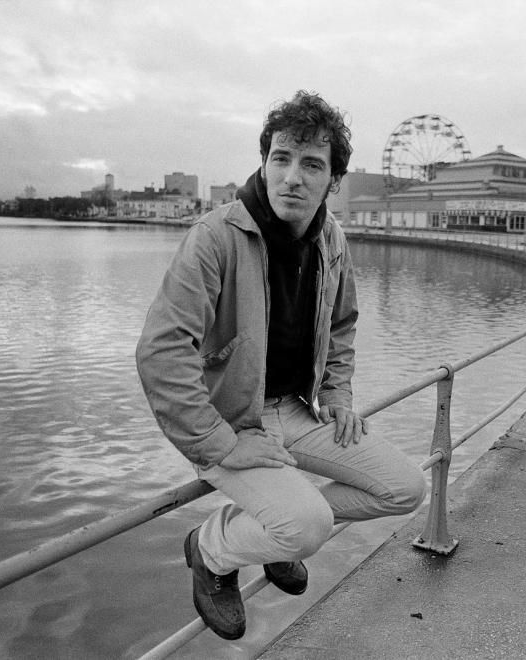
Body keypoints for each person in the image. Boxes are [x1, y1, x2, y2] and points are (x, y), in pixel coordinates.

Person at [135, 90, 426, 640]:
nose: (293, 176)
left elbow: (342, 325)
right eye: (281, 159)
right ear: (265, 161)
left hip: (296, 410)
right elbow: (161, 353)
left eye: (312, 164)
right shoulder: (215, 237)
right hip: (227, 424)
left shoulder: (332, 241)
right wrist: (221, 444)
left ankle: (275, 529)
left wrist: (337, 395)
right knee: (308, 524)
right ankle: (212, 551)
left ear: (332, 180)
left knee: (406, 489)